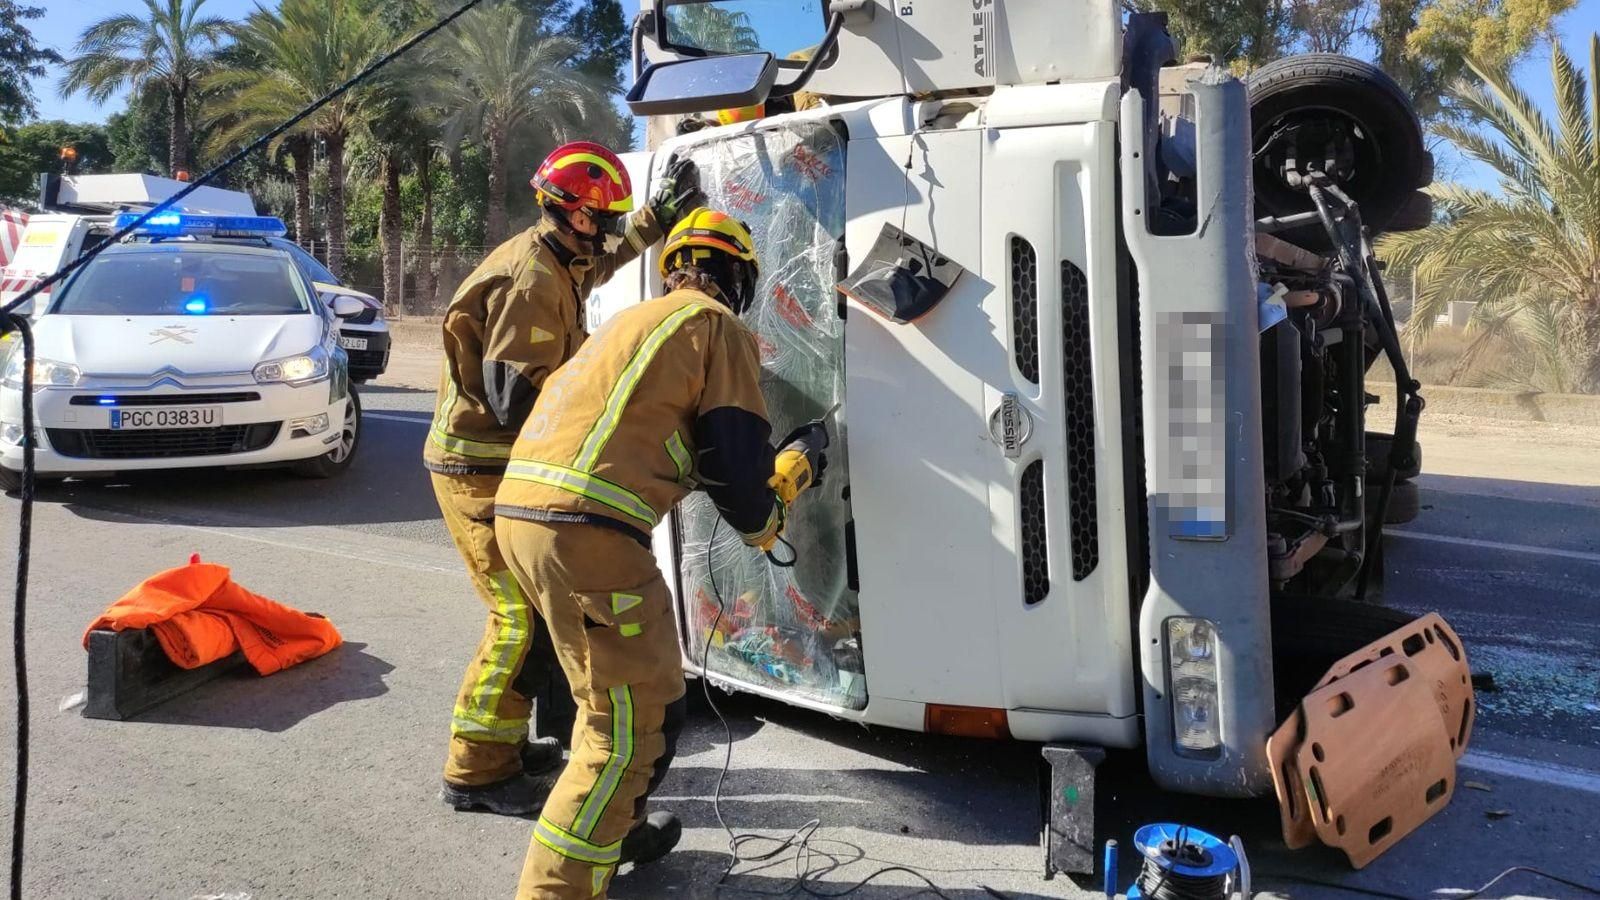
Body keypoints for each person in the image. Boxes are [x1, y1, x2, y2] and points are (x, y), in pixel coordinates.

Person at [493, 208, 826, 898]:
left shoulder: (632, 323)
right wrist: (792, 477)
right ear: (737, 276)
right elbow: (737, 476)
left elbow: (663, 436)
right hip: (588, 533)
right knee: (628, 731)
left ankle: (615, 831)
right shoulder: (716, 326)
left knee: (640, 700)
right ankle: (554, 888)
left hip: (524, 515)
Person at [425, 141, 699, 816]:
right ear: (566, 212)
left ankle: (506, 745)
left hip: (498, 460)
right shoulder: (533, 281)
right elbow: (517, 397)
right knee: (517, 619)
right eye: (598, 218)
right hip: (479, 465)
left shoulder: (560, 256)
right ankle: (476, 770)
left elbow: (600, 266)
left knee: (535, 620)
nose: (605, 232)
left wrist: (657, 219)